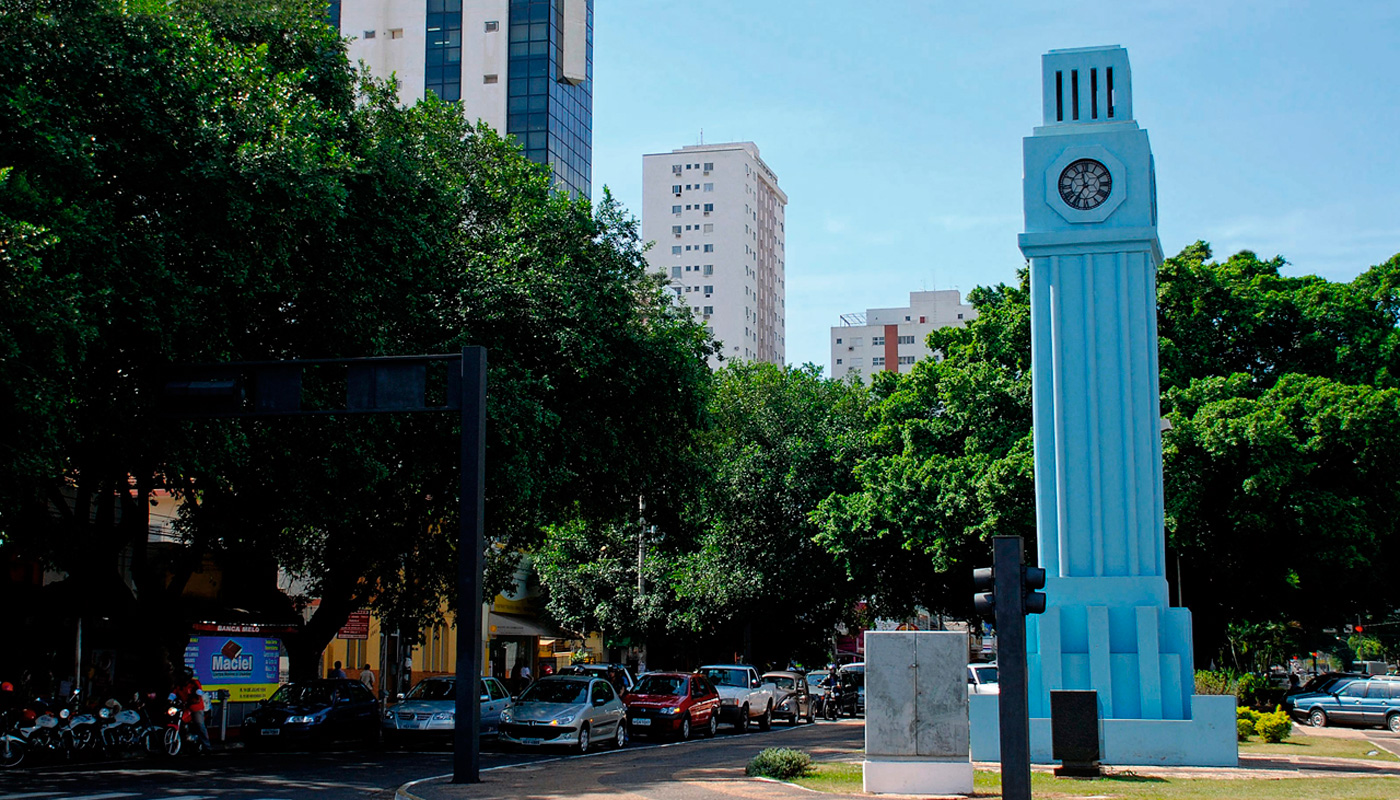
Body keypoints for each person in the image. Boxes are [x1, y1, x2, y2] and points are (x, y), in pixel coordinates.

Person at [173, 668, 213, 753]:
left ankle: (207, 746)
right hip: (184, 707)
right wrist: (169, 699)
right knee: (178, 720)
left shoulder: (194, 683)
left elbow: (199, 691)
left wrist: (196, 696)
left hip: (195, 707)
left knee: (199, 724)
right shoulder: (179, 685)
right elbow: (173, 693)